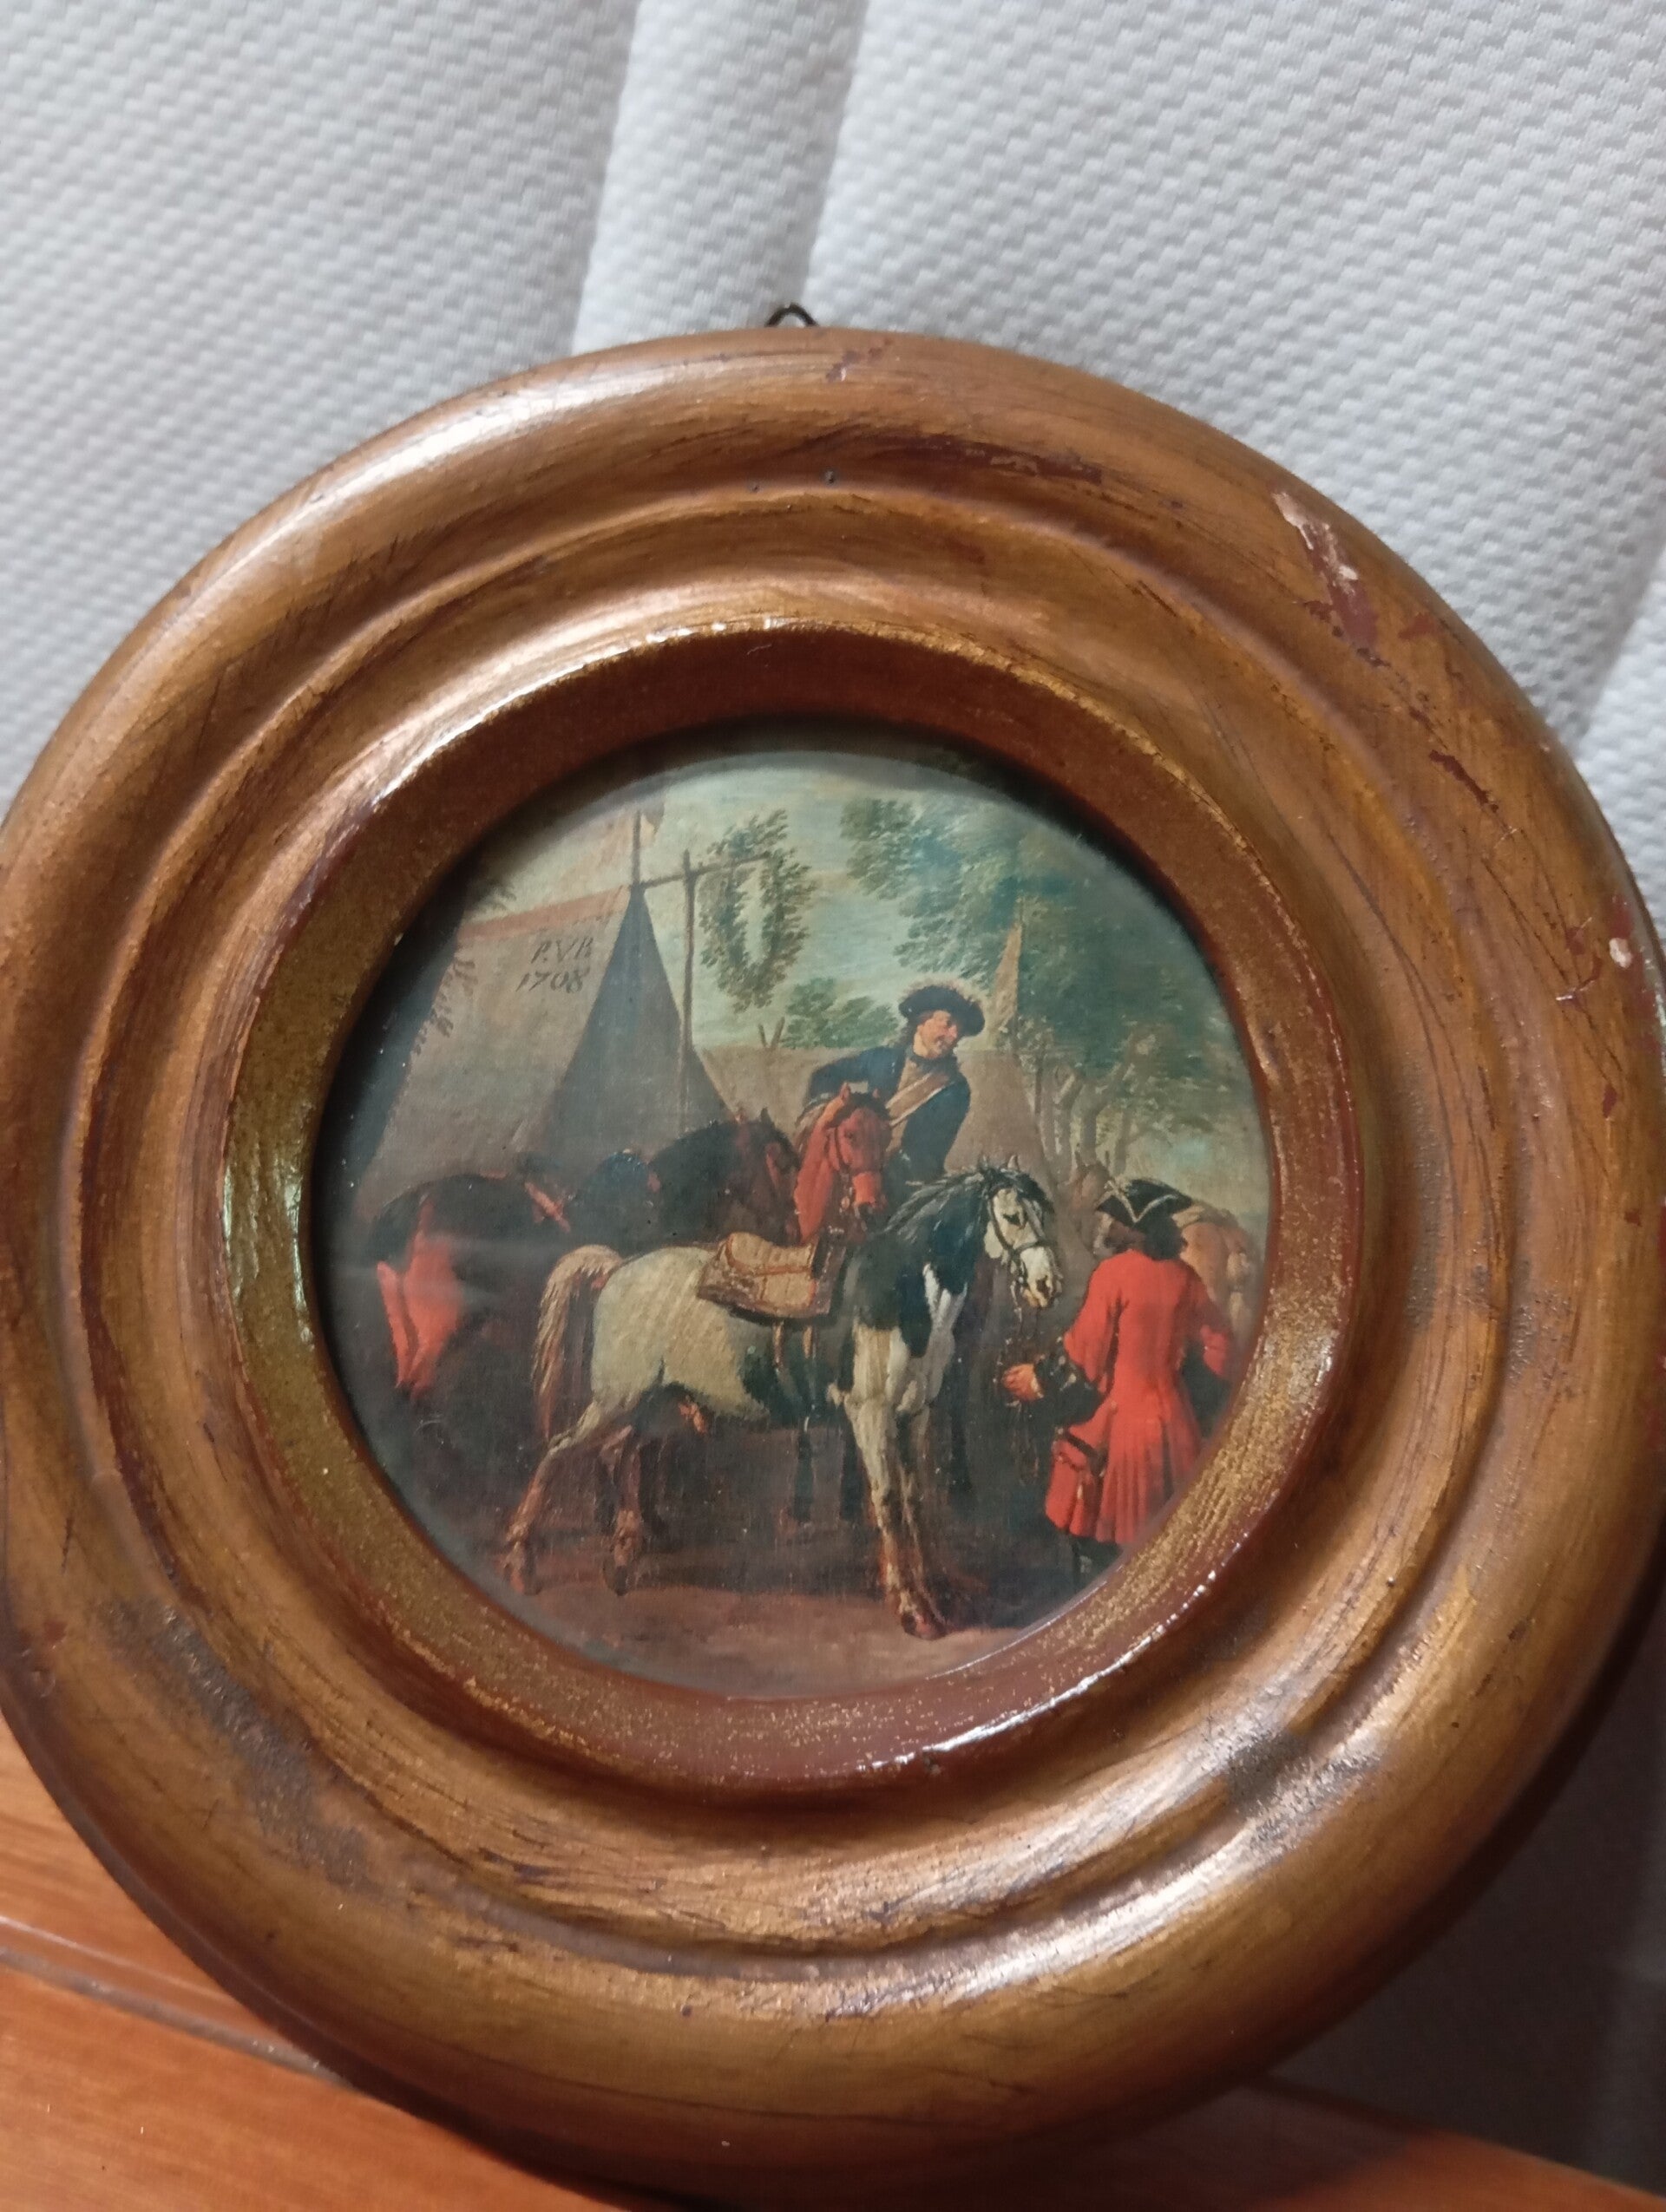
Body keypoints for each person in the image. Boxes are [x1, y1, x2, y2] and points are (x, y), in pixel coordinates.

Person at [1000, 1177, 1236, 1583]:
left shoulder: (1113, 1274)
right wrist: (1192, 1398)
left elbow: (1085, 1358)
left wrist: (1036, 1378)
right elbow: (1220, 1344)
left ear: (1133, 1227)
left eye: (1114, 1220)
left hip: (1120, 1425)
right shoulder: (1186, 1278)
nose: (1107, 1226)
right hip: (1175, 1424)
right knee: (1168, 1544)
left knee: (1107, 1545)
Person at [799, 983, 984, 1207]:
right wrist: (835, 1113)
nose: (954, 1036)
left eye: (959, 1030)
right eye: (947, 1023)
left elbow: (922, 1159)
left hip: (903, 1191)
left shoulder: (955, 1090)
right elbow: (823, 1077)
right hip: (856, 1173)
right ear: (921, 1020)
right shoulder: (881, 1059)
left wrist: (868, 1171)